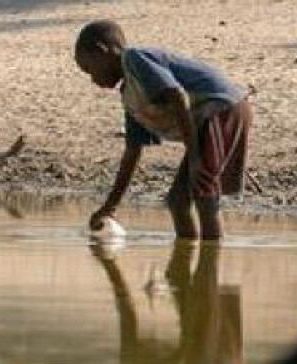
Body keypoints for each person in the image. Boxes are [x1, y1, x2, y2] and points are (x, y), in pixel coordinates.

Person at [74, 20, 252, 240]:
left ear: (103, 52)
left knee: (203, 192)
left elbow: (177, 96)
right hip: (202, 126)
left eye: (90, 69)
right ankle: (186, 265)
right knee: (178, 200)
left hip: (221, 109)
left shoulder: (135, 59)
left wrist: (195, 157)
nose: (93, 80)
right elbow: (132, 152)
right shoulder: (131, 97)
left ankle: (210, 265)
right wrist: (109, 207)